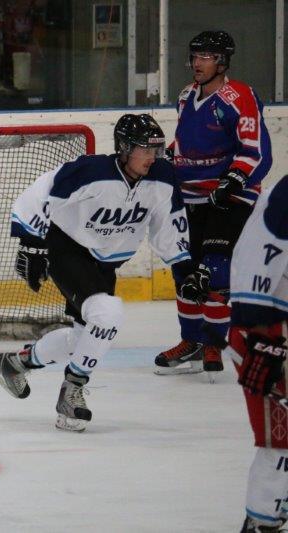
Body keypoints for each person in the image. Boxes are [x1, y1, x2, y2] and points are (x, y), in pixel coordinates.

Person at [0, 114, 195, 432]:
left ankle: (15, 364)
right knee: (108, 315)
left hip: (103, 262)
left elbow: (169, 226)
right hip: (66, 249)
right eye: (145, 150)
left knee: (84, 338)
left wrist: (186, 271)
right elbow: (41, 193)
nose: (152, 157)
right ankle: (72, 390)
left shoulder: (161, 178)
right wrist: (31, 243)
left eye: (156, 150)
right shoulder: (92, 172)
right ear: (124, 148)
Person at [156, 30, 272, 377]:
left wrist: (234, 179)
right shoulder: (185, 95)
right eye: (195, 56)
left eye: (205, 57)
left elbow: (256, 150)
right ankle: (191, 340)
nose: (198, 63)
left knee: (215, 265)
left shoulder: (240, 96)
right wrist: (167, 161)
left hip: (229, 194)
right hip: (190, 194)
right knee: (185, 270)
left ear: (222, 62)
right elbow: (185, 142)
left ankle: (212, 342)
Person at [225, 174, 288, 532]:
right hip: (269, 333)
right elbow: (258, 254)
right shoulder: (286, 195)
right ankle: (263, 523)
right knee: (283, 441)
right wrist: (259, 334)